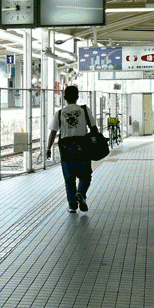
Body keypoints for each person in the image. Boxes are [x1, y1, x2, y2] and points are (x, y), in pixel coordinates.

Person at [46, 85, 97, 213]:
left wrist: (48, 148)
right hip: (83, 148)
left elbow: (53, 133)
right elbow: (94, 128)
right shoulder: (84, 110)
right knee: (85, 176)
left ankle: (72, 205)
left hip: (66, 150)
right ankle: (80, 193)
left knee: (69, 179)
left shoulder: (59, 113)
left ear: (64, 98)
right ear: (78, 97)